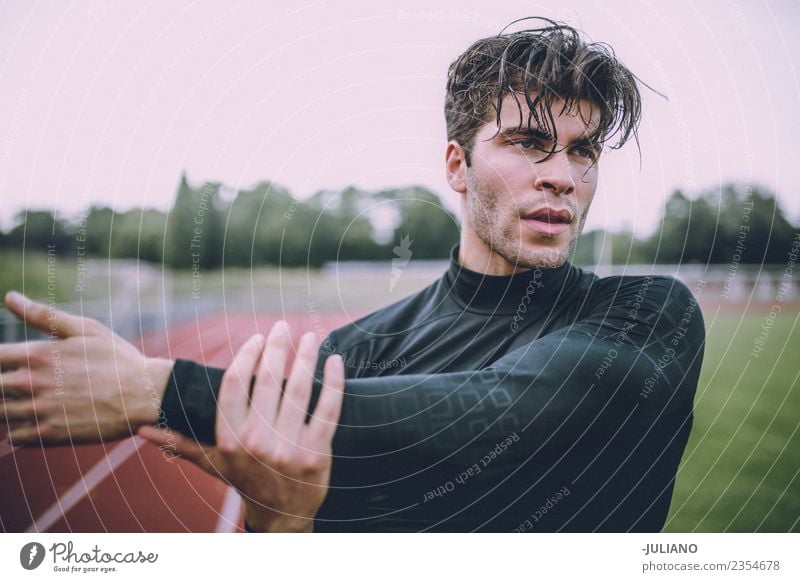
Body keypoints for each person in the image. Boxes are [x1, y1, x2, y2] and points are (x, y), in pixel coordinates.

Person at [0, 18, 705, 532]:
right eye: (527, 143)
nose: (561, 175)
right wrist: (280, 519)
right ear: (457, 168)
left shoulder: (650, 315)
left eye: (583, 152)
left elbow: (492, 416)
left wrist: (155, 388)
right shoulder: (351, 357)